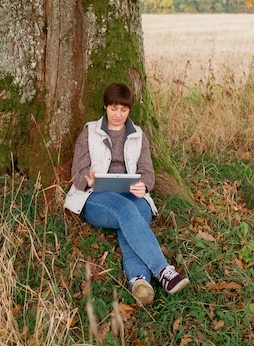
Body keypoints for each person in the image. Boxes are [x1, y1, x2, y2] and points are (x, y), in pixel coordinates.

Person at [64, 82, 190, 306]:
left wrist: (143, 186)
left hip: (131, 194)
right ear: (105, 107)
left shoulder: (138, 135)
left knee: (135, 211)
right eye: (113, 109)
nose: (118, 114)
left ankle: (139, 281)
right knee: (126, 211)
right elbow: (77, 173)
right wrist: (89, 180)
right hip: (96, 197)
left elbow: (147, 174)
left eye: (123, 110)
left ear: (129, 110)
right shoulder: (89, 132)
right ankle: (164, 271)